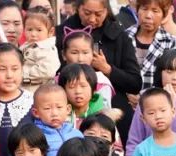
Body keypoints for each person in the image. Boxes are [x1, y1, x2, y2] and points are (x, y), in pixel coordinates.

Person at [57, 0, 143, 135]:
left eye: (98, 14)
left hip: (113, 111)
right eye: (87, 13)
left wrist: (108, 69)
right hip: (68, 114)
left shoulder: (118, 35)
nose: (92, 19)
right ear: (78, 8)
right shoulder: (63, 31)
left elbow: (135, 83)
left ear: (107, 10)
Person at [125, 49, 176, 156]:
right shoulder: (147, 100)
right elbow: (134, 140)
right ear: (160, 73)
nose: (175, 77)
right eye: (169, 71)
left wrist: (172, 104)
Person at [126, 0, 176, 91]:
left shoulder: (172, 43)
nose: (148, 16)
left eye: (155, 11)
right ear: (137, 10)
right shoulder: (123, 37)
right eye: (144, 9)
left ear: (164, 15)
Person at [30, 83, 83, 156]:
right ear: (36, 113)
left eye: (59, 107)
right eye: (47, 108)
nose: (54, 113)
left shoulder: (76, 134)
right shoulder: (34, 138)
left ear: (68, 109)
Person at [19, 10, 59, 94]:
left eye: (39, 30)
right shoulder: (27, 45)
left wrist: (22, 72)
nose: (33, 34)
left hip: (39, 90)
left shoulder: (46, 48)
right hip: (24, 87)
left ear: (51, 32)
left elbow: (47, 71)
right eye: (29, 29)